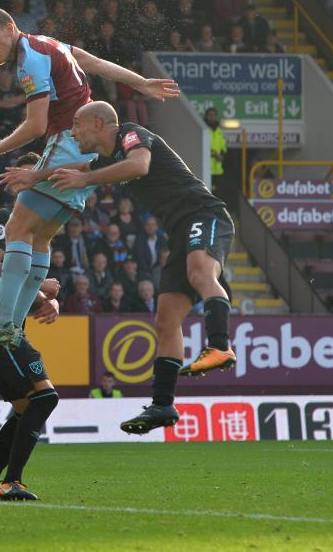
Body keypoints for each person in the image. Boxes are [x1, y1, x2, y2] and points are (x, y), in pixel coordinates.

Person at [0, 7, 178, 349]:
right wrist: (140, 81)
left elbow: (36, 124)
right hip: (86, 150)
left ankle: (2, 322)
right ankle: (13, 328)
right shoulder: (47, 43)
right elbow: (92, 61)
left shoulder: (30, 59)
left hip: (67, 144)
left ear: (10, 28)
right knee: (40, 239)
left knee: (17, 229)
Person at [49, 101, 236, 434]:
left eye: (76, 124)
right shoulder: (108, 158)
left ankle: (220, 345)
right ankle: (163, 405)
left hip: (204, 215)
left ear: (97, 123)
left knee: (199, 272)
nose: (73, 131)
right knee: (165, 320)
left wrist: (86, 179)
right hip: (180, 233)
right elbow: (75, 169)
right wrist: (31, 175)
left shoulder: (133, 134)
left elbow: (139, 167)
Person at [0, 152, 62, 501]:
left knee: (26, 407)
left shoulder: (39, 232)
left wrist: (48, 301)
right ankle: (12, 482)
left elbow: (35, 283)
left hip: (12, 332)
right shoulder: (5, 219)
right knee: (45, 397)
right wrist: (42, 291)